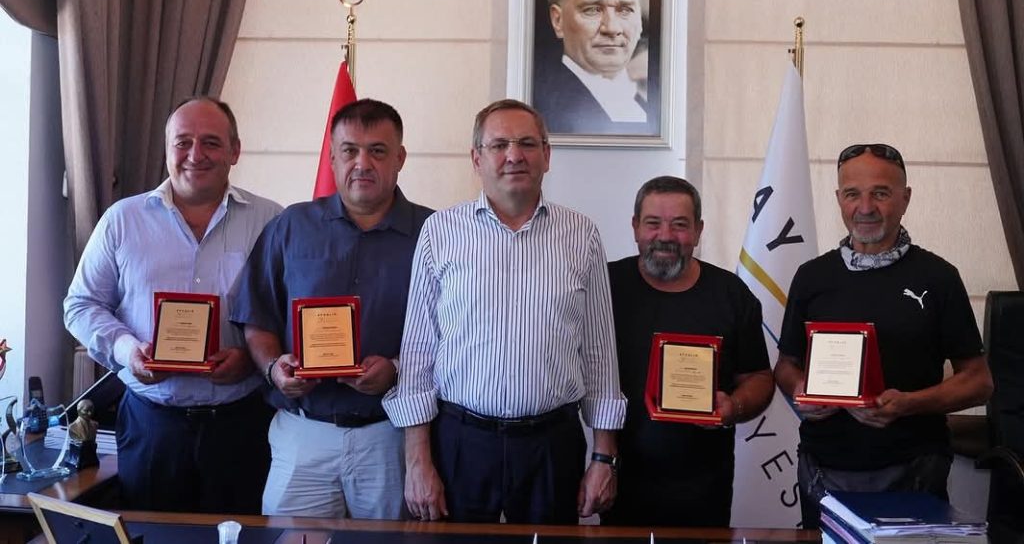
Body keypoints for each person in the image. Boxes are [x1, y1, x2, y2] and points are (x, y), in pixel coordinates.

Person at [382, 99, 625, 525]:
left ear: (547, 156)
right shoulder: (441, 233)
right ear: (477, 159)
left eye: (528, 143)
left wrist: (604, 457)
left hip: (551, 445)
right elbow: (419, 354)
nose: (514, 155)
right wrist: (418, 462)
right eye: (499, 145)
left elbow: (601, 356)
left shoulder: (581, 236)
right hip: (460, 443)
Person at [64, 97, 282, 513]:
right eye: (182, 142)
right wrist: (129, 353)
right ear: (167, 150)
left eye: (211, 142)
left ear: (235, 151)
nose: (195, 155)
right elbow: (80, 304)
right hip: (152, 426)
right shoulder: (122, 220)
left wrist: (253, 360)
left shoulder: (272, 221)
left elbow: (290, 312)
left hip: (242, 424)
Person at [231, 98, 433, 519]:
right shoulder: (291, 226)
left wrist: (396, 368)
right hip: (303, 433)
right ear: (332, 157)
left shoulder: (435, 234)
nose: (363, 163)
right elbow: (257, 315)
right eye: (349, 150)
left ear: (400, 158)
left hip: (390, 434)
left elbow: (453, 334)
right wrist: (273, 369)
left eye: (378, 151)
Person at [774, 143, 994, 528]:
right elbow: (786, 367)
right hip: (823, 469)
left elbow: (979, 382)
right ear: (838, 199)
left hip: (914, 468)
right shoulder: (812, 277)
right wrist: (802, 390)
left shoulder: (938, 277)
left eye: (881, 193)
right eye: (852, 194)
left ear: (905, 198)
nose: (865, 207)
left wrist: (910, 403)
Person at [604, 176, 774, 527]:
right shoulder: (605, 287)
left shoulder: (731, 295)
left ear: (698, 231)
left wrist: (734, 406)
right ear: (635, 227)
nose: (665, 236)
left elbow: (759, 377)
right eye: (653, 223)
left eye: (679, 225)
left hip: (703, 486)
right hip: (619, 477)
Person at [533, 0, 656, 137]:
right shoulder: (542, 106)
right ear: (558, 21)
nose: (612, 28)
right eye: (592, 10)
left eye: (625, 10)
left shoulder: (650, 101)